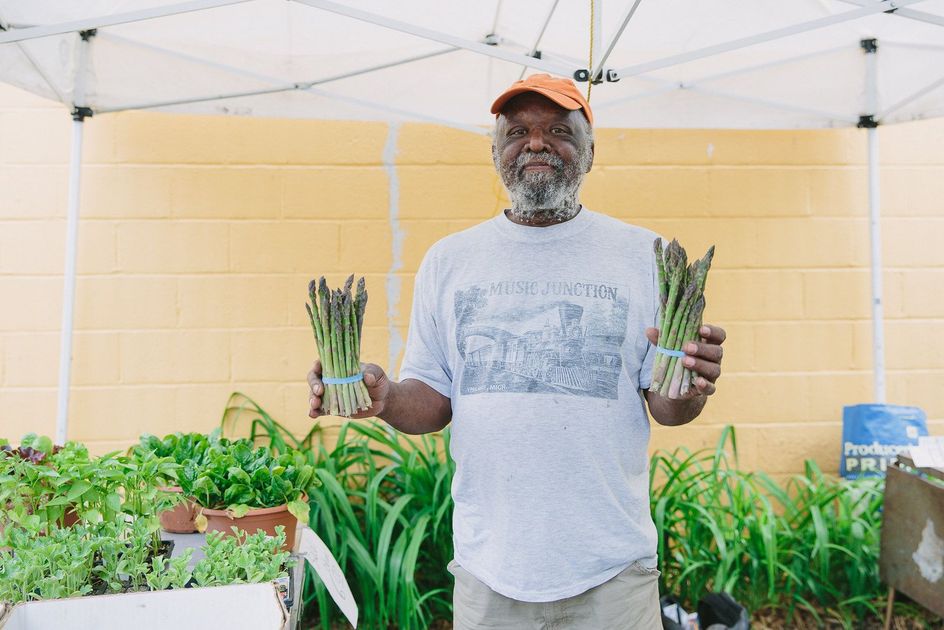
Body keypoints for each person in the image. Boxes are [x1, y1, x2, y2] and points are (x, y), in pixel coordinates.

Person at [307, 73, 726, 629]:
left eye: (558, 129)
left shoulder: (644, 255)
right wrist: (383, 398)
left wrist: (692, 387)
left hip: (613, 571)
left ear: (590, 150)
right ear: (495, 150)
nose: (536, 143)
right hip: (489, 570)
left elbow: (667, 409)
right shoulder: (450, 260)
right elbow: (434, 401)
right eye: (517, 131)